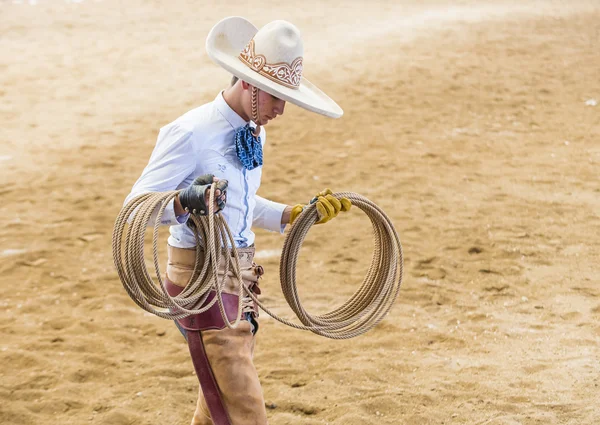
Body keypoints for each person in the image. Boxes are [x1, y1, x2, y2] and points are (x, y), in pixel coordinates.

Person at [124, 17, 350, 425]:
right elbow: (137, 206)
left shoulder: (255, 131)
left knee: (217, 407)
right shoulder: (190, 132)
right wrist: (184, 200)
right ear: (247, 83)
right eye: (276, 97)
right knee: (245, 409)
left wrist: (289, 214)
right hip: (199, 280)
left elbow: (240, 206)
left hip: (241, 279)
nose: (281, 109)